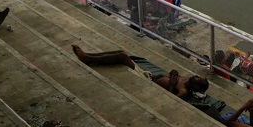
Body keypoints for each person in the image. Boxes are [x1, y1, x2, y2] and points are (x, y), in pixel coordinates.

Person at [70, 45, 210, 98]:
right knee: (121, 52)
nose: (196, 76)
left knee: (122, 56)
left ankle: (88, 59)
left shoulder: (184, 90)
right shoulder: (185, 78)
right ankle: (89, 55)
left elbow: (170, 98)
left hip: (147, 80)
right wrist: (173, 74)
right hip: (151, 76)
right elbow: (170, 77)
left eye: (198, 79)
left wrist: (172, 85)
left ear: (197, 86)